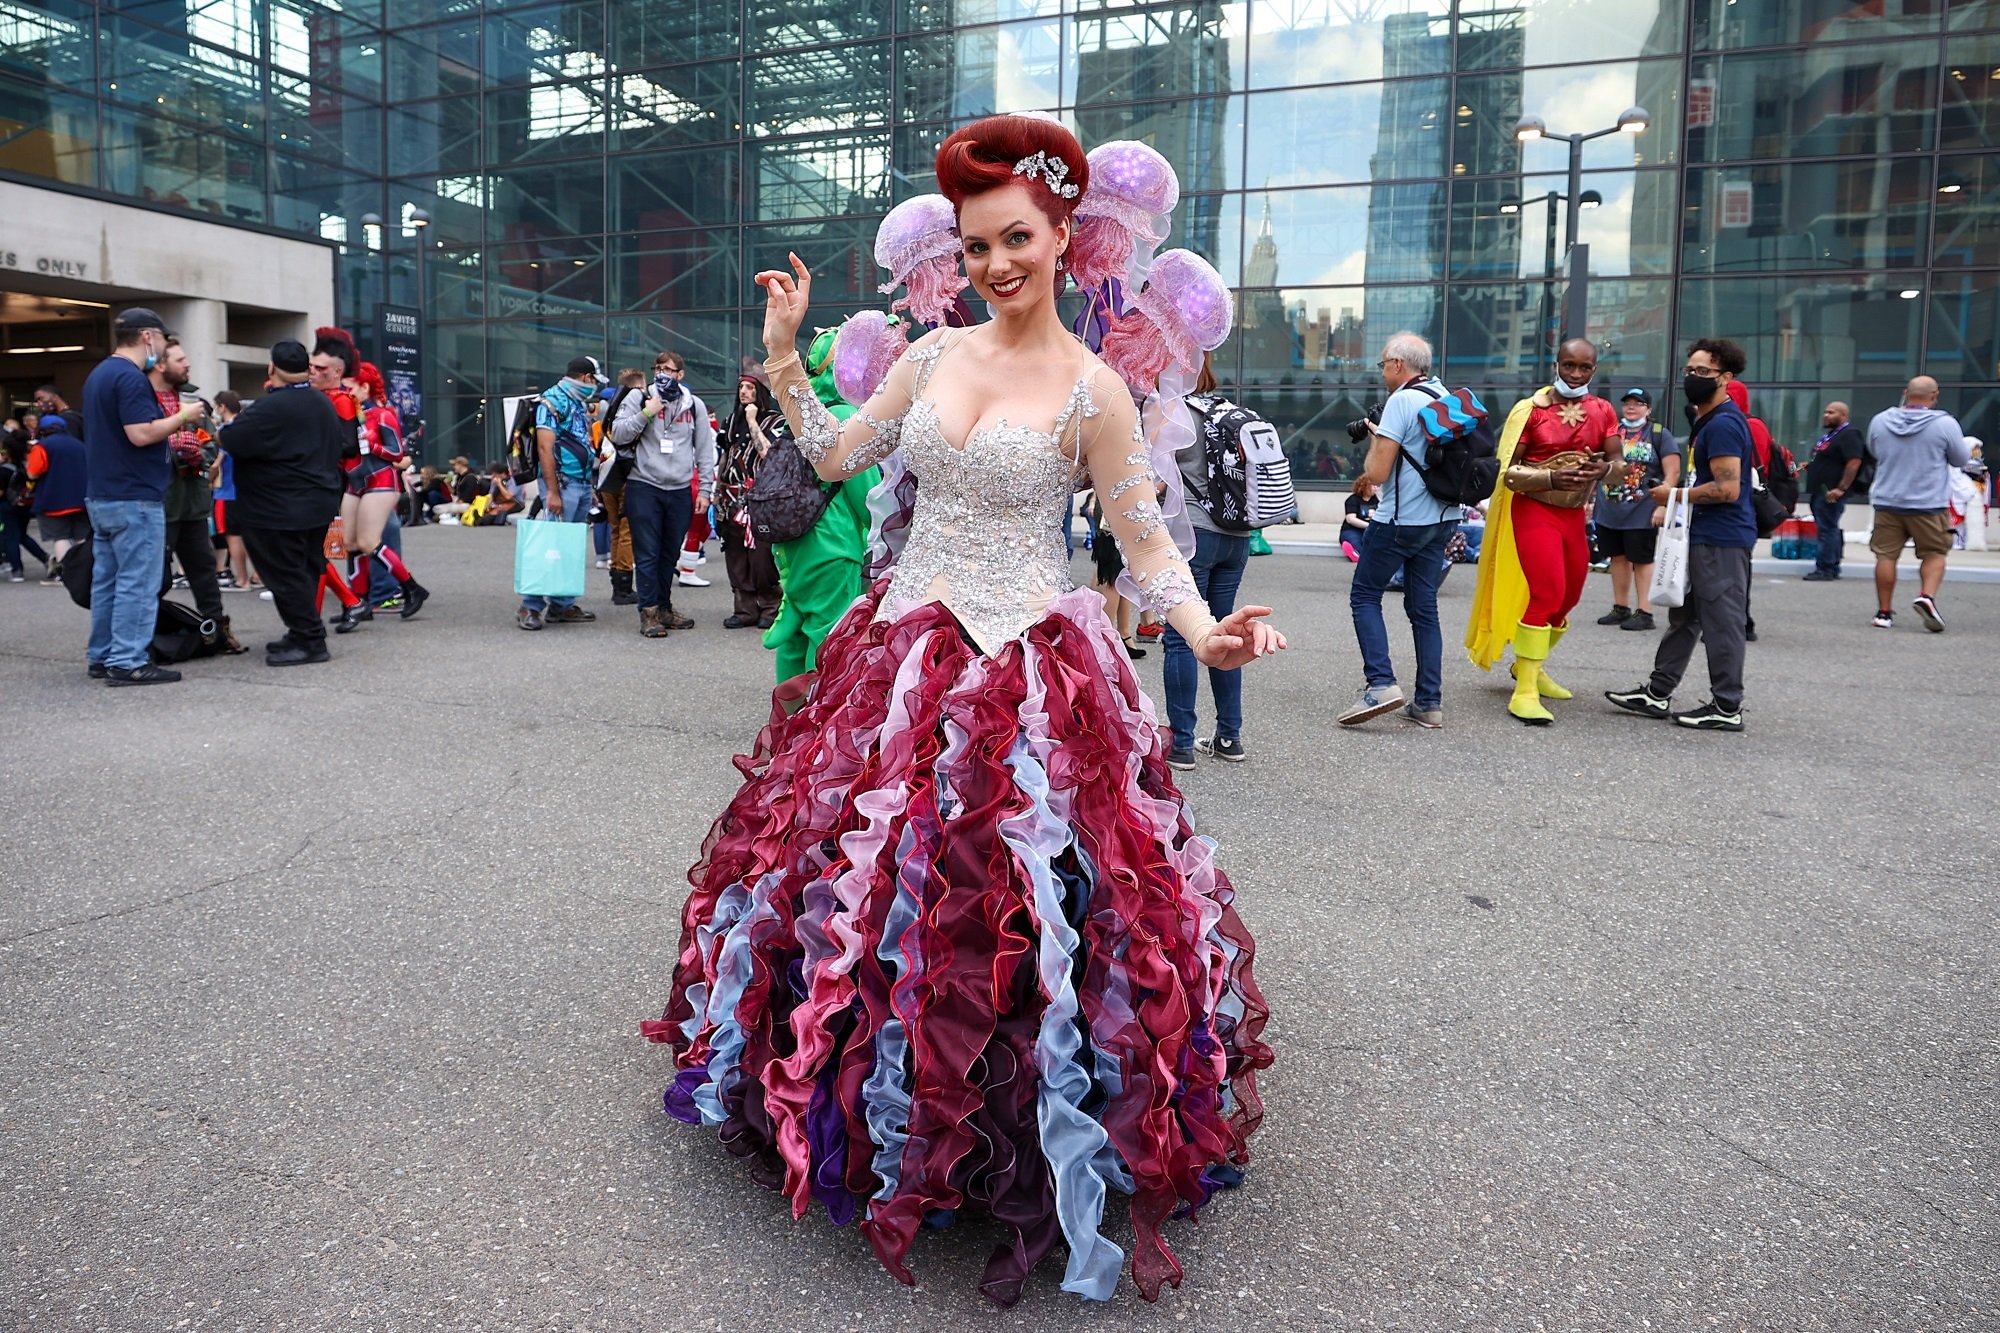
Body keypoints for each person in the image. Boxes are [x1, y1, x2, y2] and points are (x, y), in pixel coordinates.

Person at [643, 114, 1281, 1307]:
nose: (995, 263)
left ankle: (1018, 1127)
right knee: (871, 882)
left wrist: (1206, 631)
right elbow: (836, 459)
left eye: (1018, 239)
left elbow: (1143, 542)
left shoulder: (1095, 389)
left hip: (1036, 661)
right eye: (976, 243)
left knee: (1030, 895)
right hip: (902, 652)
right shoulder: (931, 358)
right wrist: (784, 354)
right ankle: (877, 1106)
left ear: (1064, 241)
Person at [1464, 338, 1621, 725]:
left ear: (1594, 370)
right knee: (1546, 591)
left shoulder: (1601, 410)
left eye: (1584, 368)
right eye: (1569, 366)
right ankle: (1525, 691)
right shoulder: (1530, 412)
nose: (1576, 374)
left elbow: (1618, 462)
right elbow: (1508, 473)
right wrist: (1551, 475)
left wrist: (1603, 470)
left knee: (1569, 596)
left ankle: (1527, 665)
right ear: (1557, 365)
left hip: (1573, 516)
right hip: (1534, 511)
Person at [1605, 337, 1757, 731]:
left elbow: (1728, 489)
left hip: (1722, 539)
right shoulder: (1709, 419)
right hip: (1705, 534)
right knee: (1684, 616)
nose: (1692, 377)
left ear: (1725, 378)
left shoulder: (1723, 423)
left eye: (1702, 372)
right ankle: (1657, 693)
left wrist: (1673, 495)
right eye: (1689, 370)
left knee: (1721, 621)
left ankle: (1727, 707)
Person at [1341, 331, 1485, 730]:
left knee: (1365, 595)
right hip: (1443, 519)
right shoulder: (1443, 395)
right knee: (1424, 609)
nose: (1383, 370)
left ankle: (1381, 684)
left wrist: (1377, 439)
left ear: (1398, 365)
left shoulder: (1401, 401)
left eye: (1384, 363)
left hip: (1401, 522)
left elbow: (1377, 472)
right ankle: (1429, 704)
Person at [83, 307, 205, 686]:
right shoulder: (131, 378)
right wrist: (183, 417)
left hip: (103, 494)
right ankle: (127, 660)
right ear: (148, 336)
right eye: (163, 339)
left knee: (108, 581)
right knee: (138, 581)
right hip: (135, 496)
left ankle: (103, 655)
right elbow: (140, 433)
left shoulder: (99, 375)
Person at [762, 329, 884, 679]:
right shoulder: (848, 415)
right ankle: (814, 722)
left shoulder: (801, 412)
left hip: (793, 540)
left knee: (796, 635)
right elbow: (869, 500)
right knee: (828, 636)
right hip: (834, 544)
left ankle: (785, 718)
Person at [217, 340, 347, 666]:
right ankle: (302, 631)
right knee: (301, 570)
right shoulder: (321, 402)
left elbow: (231, 439)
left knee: (285, 574)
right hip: (317, 502)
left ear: (271, 368)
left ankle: (309, 639)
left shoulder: (269, 408)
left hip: (278, 508)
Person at [1163, 354, 1252, 768]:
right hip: (1237, 538)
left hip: (1194, 534)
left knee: (1183, 636)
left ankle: (1182, 743)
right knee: (1225, 633)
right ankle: (1230, 736)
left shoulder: (1173, 412)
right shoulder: (1229, 411)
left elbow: (1156, 479)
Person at [607, 351, 715, 637]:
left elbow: (704, 450)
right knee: (647, 553)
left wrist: (705, 489)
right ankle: (649, 612)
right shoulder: (639, 397)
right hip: (645, 486)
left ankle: (665, 607)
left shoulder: (694, 405)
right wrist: (646, 413)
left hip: (679, 488)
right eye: (659, 369)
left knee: (669, 553)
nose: (664, 374)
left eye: (670, 370)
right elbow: (618, 433)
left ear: (681, 374)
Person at [151, 338, 240, 653]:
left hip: (192, 503)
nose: (187, 364)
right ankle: (145, 641)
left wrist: (196, 455)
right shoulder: (143, 402)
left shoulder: (193, 404)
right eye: (180, 359)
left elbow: (211, 444)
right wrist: (172, 451)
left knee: (204, 570)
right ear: (159, 364)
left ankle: (216, 632)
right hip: (158, 505)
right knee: (154, 579)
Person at [1864, 376, 1970, 632]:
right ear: (1934, 396)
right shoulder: (1945, 424)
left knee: (1886, 556)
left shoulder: (1880, 420)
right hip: (1928, 503)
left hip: (1887, 501)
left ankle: (1884, 613)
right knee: (1935, 553)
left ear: (1905, 393)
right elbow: (1960, 459)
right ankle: (1927, 597)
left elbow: (1874, 450)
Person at [331, 362, 429, 633]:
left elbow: (397, 452)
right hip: (355, 481)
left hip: (381, 480)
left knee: (368, 541)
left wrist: (370, 445)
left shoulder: (383, 415)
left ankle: (412, 588)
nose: (344, 392)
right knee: (350, 542)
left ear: (364, 387)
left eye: (348, 387)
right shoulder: (346, 414)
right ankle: (358, 603)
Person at [516, 356, 612, 630]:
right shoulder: (552, 400)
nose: (594, 386)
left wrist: (589, 487)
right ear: (586, 378)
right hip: (563, 484)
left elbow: (580, 441)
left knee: (567, 546)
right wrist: (553, 493)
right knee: (550, 544)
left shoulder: (575, 402)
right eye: (594, 380)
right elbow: (545, 448)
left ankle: (561, 604)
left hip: (578, 484)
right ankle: (530, 605)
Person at [1593, 387, 1680, 632]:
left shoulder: (1658, 433)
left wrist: (1663, 504)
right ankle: (1621, 607)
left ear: (1648, 409)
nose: (1631, 407)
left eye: (1638, 403)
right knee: (1617, 558)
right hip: (1609, 508)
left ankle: (1645, 611)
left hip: (1642, 509)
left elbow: (1672, 471)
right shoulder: (1610, 431)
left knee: (1641, 560)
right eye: (1628, 403)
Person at [716, 376, 786, 629]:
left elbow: (768, 454)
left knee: (762, 557)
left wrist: (752, 421)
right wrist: (716, 495)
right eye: (741, 388)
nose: (743, 392)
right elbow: (725, 457)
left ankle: (770, 605)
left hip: (761, 502)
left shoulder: (776, 421)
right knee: (735, 556)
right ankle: (744, 608)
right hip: (731, 499)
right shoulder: (730, 421)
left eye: (750, 388)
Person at [1802, 400, 1865, 581]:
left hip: (1831, 492)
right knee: (1828, 527)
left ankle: (1826, 568)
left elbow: (1854, 461)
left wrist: (1841, 488)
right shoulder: (1831, 436)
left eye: (1832, 412)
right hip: (1820, 491)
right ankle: (1832, 565)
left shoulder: (1850, 434)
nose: (1826, 415)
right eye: (1825, 412)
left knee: (1827, 529)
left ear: (1843, 416)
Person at [24, 412, 88, 580]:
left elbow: (33, 473)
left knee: (60, 537)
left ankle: (67, 574)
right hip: (81, 499)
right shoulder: (79, 445)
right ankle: (86, 570)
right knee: (82, 536)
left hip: (53, 500)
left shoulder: (42, 447)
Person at [209, 391, 258, 591]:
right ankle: (258, 575)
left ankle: (242, 579)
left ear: (222, 407)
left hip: (227, 491)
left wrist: (209, 478)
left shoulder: (226, 431)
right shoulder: (248, 429)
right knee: (248, 536)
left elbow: (217, 464)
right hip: (246, 491)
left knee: (233, 537)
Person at [1340, 479, 1376, 560]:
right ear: (1364, 487)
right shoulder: (1352, 500)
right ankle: (1356, 553)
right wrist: (1369, 525)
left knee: (1374, 541)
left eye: (1377, 486)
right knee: (1354, 541)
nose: (1376, 488)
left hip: (1371, 530)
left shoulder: (1378, 500)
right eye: (1373, 486)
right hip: (1352, 529)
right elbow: (1350, 519)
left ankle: (1361, 555)